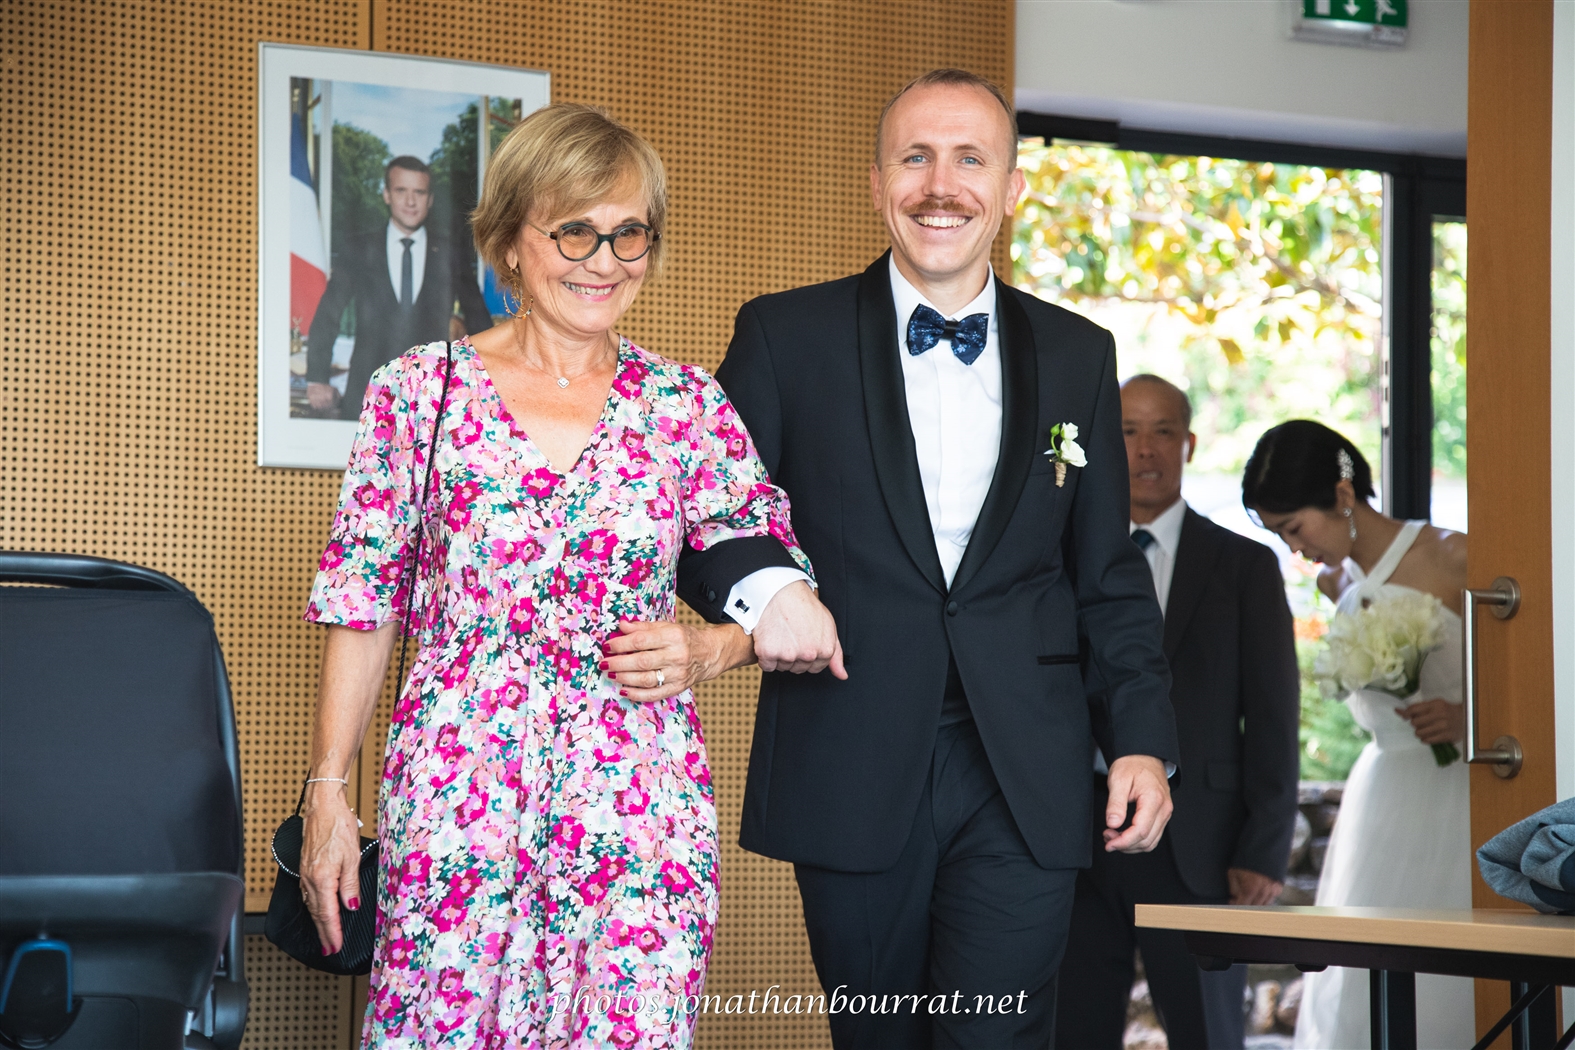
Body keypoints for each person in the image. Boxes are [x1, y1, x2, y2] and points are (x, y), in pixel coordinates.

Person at [298, 103, 823, 1048]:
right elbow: (362, 598)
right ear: (509, 239)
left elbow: (778, 583)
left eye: (629, 233)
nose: (603, 259)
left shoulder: (686, 404)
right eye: (573, 229)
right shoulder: (419, 391)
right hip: (461, 785)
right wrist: (328, 793)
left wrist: (712, 648)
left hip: (639, 794)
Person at [676, 68, 1179, 1048]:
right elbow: (704, 509)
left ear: (1010, 188)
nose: (940, 186)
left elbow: (1106, 575)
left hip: (1023, 767)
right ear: (877, 184)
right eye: (915, 158)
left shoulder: (1079, 354)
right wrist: (771, 589)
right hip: (853, 748)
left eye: (968, 160)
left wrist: (1140, 740)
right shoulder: (786, 335)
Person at [1057, 376, 1301, 1050]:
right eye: (1127, 431)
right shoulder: (1058, 560)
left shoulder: (1243, 565)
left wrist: (1263, 850)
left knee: (1206, 1032)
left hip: (1199, 843)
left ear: (1188, 443)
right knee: (1071, 1029)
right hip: (1075, 837)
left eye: (1162, 431)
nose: (1145, 449)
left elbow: (1274, 715)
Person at [1243, 420, 1473, 1050]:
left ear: (1343, 497)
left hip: (1458, 788)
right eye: (1279, 535)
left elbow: (1541, 670)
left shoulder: (1454, 555)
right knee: (1365, 972)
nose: (1296, 549)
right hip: (1379, 796)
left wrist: (1469, 717)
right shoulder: (1334, 583)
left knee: (1451, 964)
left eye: (1295, 528)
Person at [304, 155, 496, 420]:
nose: (410, 201)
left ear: (430, 199)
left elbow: (478, 320)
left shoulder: (450, 253)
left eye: (419, 192)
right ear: (386, 195)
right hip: (367, 396)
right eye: (401, 190)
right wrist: (317, 377)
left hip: (432, 401)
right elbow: (329, 314)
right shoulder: (359, 249)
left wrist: (491, 381)